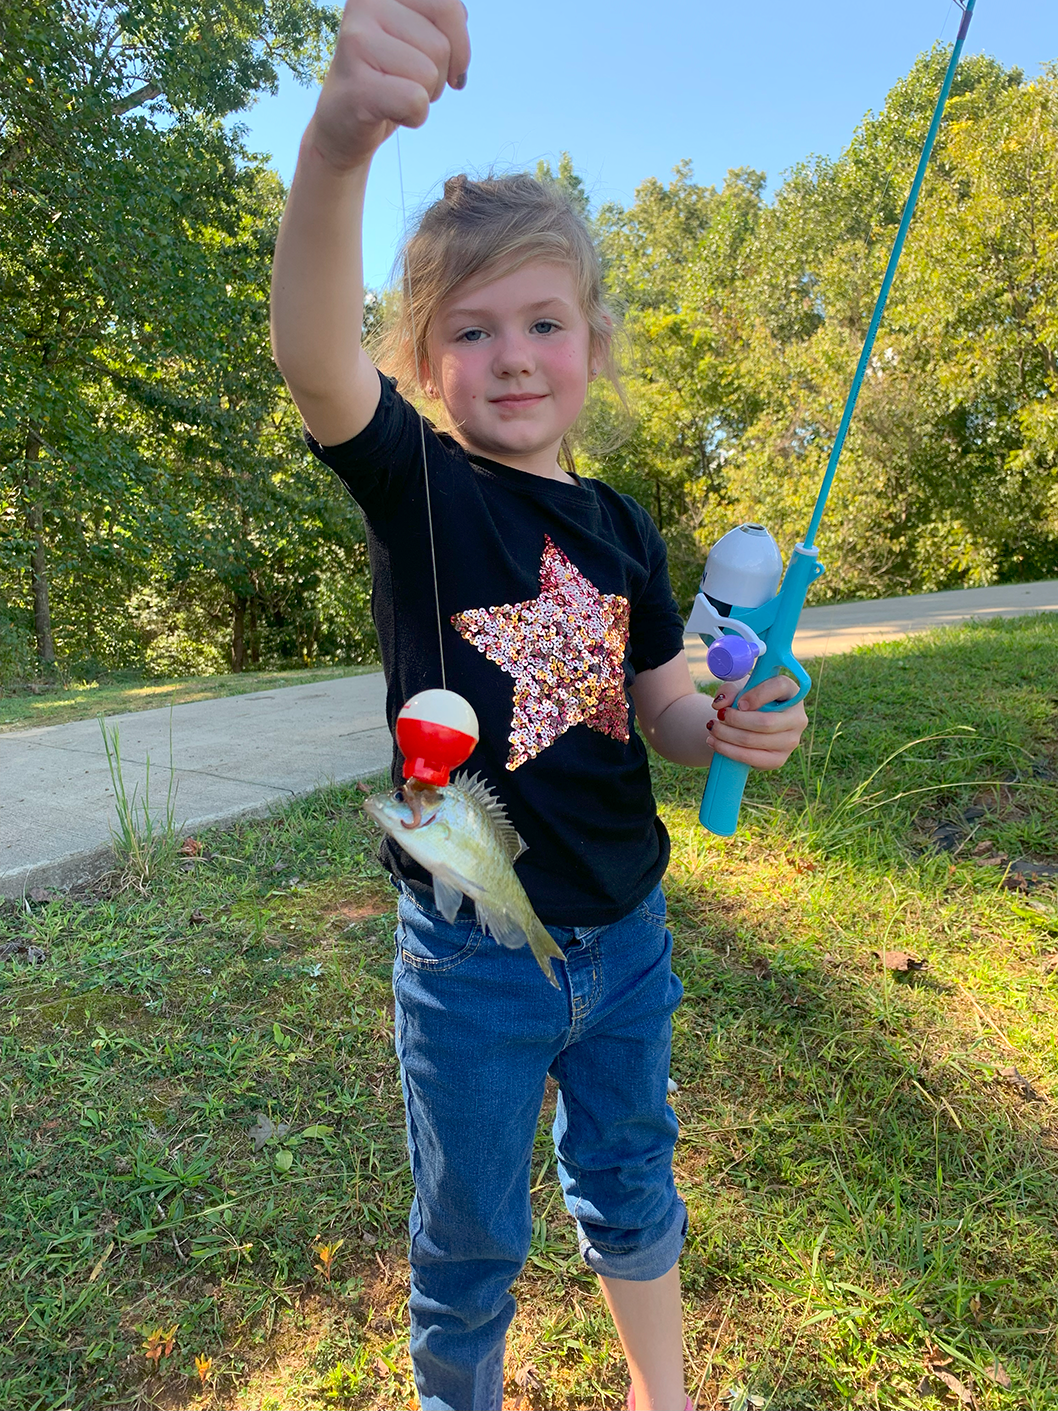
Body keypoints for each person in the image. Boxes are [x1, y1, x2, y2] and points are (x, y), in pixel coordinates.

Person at [270, 4, 809, 1407]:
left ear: (593, 342)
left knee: (631, 1170)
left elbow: (664, 710)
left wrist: (735, 726)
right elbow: (313, 359)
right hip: (470, 960)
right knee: (469, 1233)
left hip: (625, 934)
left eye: (544, 321)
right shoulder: (420, 489)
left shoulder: (625, 527)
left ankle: (660, 1389)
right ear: (422, 360)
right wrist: (336, 148)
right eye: (471, 329)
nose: (512, 355)